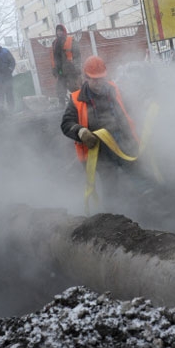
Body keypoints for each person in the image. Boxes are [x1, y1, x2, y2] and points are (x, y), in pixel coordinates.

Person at [61, 55, 150, 212]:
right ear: (86, 77)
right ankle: (113, 218)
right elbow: (66, 124)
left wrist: (144, 104)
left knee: (139, 178)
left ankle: (148, 208)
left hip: (123, 143)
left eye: (100, 78)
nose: (98, 83)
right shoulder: (77, 99)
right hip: (100, 151)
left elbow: (128, 109)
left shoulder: (114, 90)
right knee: (110, 187)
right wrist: (81, 132)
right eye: (94, 79)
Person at [51, 24, 81, 108]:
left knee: (74, 87)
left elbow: (77, 55)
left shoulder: (71, 40)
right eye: (58, 31)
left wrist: (77, 67)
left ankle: (79, 103)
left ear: (64, 31)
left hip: (71, 69)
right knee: (60, 88)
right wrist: (54, 68)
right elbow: (53, 57)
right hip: (60, 70)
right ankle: (61, 105)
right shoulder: (55, 43)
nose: (59, 32)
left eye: (61, 30)